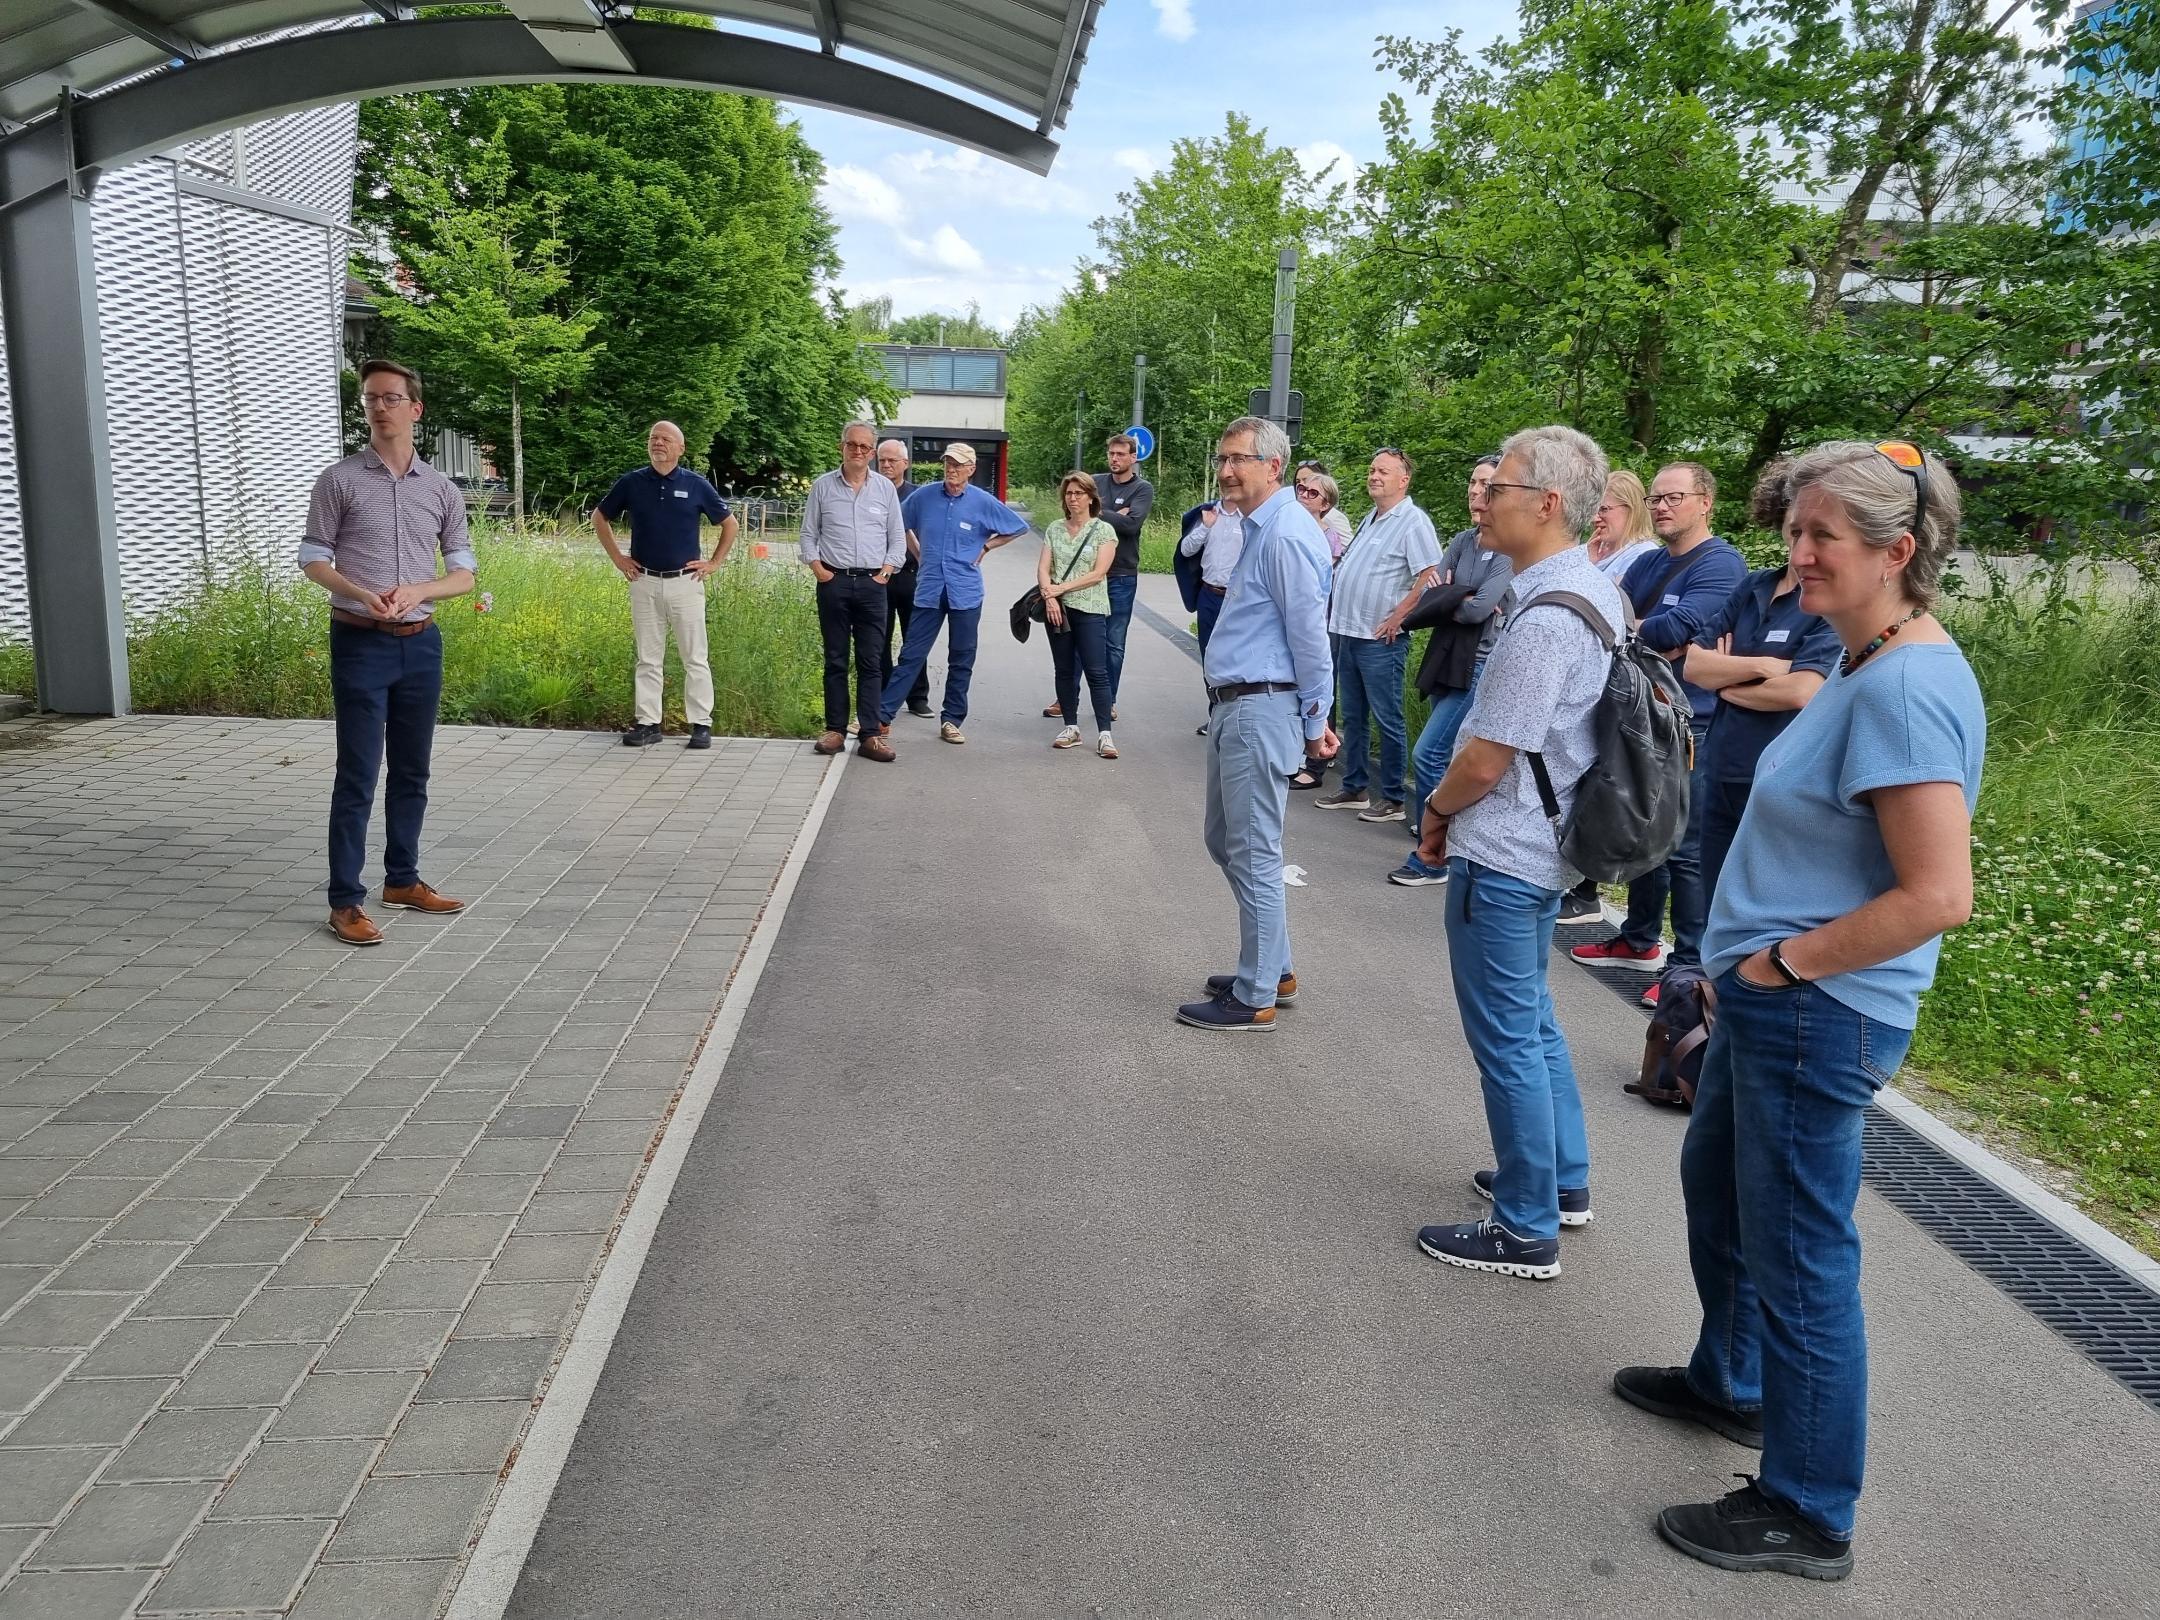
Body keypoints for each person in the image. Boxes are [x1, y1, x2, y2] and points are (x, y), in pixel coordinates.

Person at [1617, 440, 1982, 1581]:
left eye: (1825, 536)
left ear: (1900, 552)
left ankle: (1809, 1507)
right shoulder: (1872, 665)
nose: (1798, 553)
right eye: (1795, 530)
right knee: (1718, 1190)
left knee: (1801, 1251)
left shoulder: (1911, 687)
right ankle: (1733, 1382)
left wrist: (1778, 967)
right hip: (1776, 1000)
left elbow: (1938, 894)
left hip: (1817, 1011)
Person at [1409, 425, 1624, 1278]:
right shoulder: (1594, 591)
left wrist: (1434, 811)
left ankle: (1525, 1224)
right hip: (1551, 842)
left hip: (1505, 849)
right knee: (1531, 1021)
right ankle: (1560, 1182)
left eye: (1497, 487)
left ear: (1546, 503)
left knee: (1506, 1035)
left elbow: (1488, 753)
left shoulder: (1544, 616)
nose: (1484, 500)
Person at [298, 359, 475, 947]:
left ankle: (402, 880)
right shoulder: (339, 480)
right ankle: (344, 900)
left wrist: (421, 590)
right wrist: (359, 593)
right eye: (371, 398)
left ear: (415, 409)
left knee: (413, 770)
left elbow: (464, 574)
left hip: (420, 645)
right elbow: (313, 559)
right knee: (357, 772)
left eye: (391, 398)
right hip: (359, 642)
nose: (379, 407)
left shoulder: (443, 489)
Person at [1179, 416, 1337, 1032]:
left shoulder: (1288, 534)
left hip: (1259, 706)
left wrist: (1314, 722)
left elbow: (1310, 638)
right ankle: (1277, 965)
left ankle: (1255, 995)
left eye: (1239, 459)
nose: (1225, 471)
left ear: (1274, 466)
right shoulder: (1258, 527)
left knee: (1252, 849)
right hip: (1236, 703)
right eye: (1222, 458)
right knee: (1228, 841)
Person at [1569, 461, 1746, 975]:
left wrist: (1647, 631)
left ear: (1705, 502)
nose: (1662, 507)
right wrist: (1653, 634)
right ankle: (1640, 938)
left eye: (1675, 497)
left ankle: (1686, 967)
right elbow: (1609, 614)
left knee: (1683, 847)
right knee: (1646, 831)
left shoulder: (1720, 566)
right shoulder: (1650, 563)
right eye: (1656, 499)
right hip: (1641, 713)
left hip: (1690, 724)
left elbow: (1679, 627)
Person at [1681, 460, 1839, 910]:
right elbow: (1694, 665)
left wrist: (1726, 679)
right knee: (1710, 893)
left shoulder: (1824, 604)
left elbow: (1799, 692)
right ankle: (1700, 974)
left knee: (1756, 906)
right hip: (1719, 766)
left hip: (1773, 779)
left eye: (1816, 531)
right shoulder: (1753, 585)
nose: (1801, 543)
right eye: (1794, 529)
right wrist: (1766, 666)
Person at [1389, 454, 1511, 887]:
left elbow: (1478, 609)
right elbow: (1430, 596)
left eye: (1486, 485)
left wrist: (1454, 597)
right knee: (1445, 756)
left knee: (1430, 754)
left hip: (1478, 665)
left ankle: (1430, 853)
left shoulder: (1504, 550)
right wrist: (1462, 597)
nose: (1476, 492)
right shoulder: (1463, 540)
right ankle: (1445, 843)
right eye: (1472, 483)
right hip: (1447, 657)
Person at [1313, 449, 1443, 824]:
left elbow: (1430, 573)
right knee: (1352, 716)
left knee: (1388, 718)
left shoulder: (1413, 521)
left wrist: (1399, 617)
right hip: (1348, 631)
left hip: (1379, 639)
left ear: (1404, 480)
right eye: (1372, 470)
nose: (1374, 476)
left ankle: (1392, 797)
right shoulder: (1373, 517)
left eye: (1383, 471)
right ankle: (1354, 786)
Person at [594, 420, 737, 751]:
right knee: (648, 657)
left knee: (694, 657)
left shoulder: (697, 485)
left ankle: (700, 724)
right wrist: (618, 558)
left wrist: (714, 563)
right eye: (654, 438)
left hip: (685, 583)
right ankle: (648, 723)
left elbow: (729, 524)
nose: (658, 443)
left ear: (680, 448)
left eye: (666, 439)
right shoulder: (632, 483)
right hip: (644, 581)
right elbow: (599, 517)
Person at [882, 444, 1030, 744]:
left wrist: (987, 546)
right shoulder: (924, 497)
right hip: (929, 589)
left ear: (971, 469)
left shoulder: (982, 501)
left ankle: (951, 719)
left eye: (959, 465)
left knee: (961, 658)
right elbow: (897, 524)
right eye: (948, 463)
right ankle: (881, 717)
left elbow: (1018, 526)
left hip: (965, 590)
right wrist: (917, 551)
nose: (952, 469)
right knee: (912, 654)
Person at [800, 422, 904, 763]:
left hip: (874, 585)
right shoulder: (823, 487)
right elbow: (808, 534)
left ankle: (871, 735)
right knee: (835, 659)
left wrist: (886, 572)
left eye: (864, 447)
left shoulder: (885, 490)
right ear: (841, 446)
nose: (858, 451)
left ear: (872, 452)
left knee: (872, 661)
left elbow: (897, 539)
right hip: (835, 582)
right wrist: (819, 570)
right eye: (851, 445)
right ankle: (835, 730)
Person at [1048, 434, 1154, 721]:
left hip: (1120, 575)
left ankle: (1108, 701)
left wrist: (1096, 511)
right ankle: (1066, 699)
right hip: (1083, 577)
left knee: (1113, 643)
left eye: (1121, 454)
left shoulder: (1142, 489)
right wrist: (1112, 513)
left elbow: (1131, 526)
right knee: (1076, 639)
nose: (1115, 459)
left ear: (1134, 457)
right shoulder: (1096, 481)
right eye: (1111, 453)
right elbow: (1078, 512)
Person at [1040, 472, 1120, 757]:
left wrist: (1060, 588)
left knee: (1097, 672)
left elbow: (1098, 573)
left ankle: (1104, 734)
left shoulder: (1103, 531)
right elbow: (1043, 567)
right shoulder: (1054, 528)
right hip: (1058, 609)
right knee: (1064, 670)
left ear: (1090, 497)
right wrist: (1049, 595)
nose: (1073, 498)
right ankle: (1070, 726)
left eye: (1078, 493)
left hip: (1090, 608)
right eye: (1069, 493)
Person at [876, 437, 933, 719]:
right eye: (882, 460)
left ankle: (917, 697)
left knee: (915, 638)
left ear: (905, 464)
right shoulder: (871, 491)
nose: (886, 465)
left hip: (912, 576)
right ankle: (885, 695)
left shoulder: (919, 496)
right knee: (879, 638)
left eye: (892, 461)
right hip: (878, 577)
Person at [1179, 495, 1242, 736]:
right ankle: (1215, 715)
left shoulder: (1249, 518)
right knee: (1209, 658)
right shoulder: (1207, 513)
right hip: (1209, 595)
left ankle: (1232, 717)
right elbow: (1186, 550)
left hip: (1236, 598)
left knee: (1234, 658)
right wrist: (1205, 526)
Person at [1588, 469, 1661, 583]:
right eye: (1593, 510)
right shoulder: (1598, 551)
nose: (1595, 518)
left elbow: (1614, 600)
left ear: (1631, 509)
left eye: (1603, 509)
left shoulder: (1642, 555)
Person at [1295, 464, 1354, 560]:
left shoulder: (1330, 535)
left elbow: (1334, 568)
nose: (1304, 495)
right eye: (1302, 489)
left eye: (1313, 493)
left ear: (1325, 505)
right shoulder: (1287, 521)